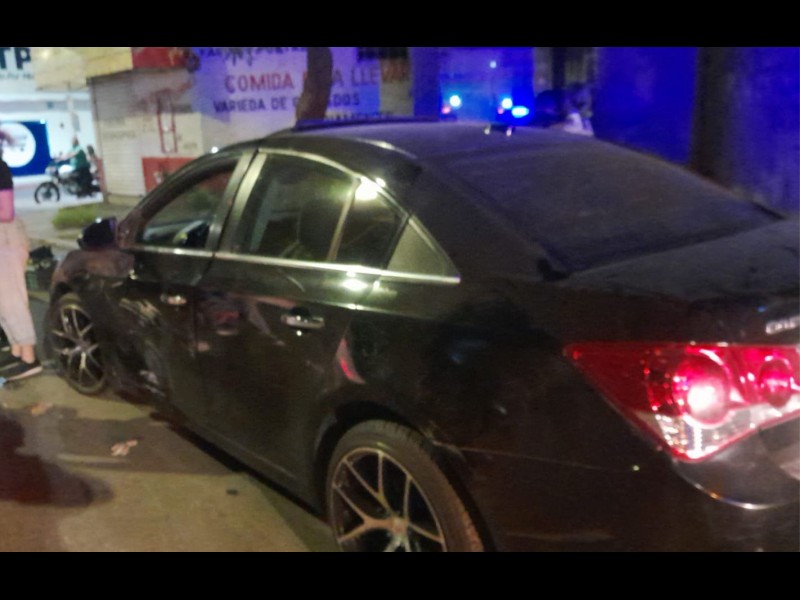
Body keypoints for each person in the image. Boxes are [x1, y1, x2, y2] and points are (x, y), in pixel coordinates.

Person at [0, 141, 43, 381]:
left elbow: (6, 212)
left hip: (6, 239)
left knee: (11, 301)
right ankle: (17, 351)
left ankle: (29, 358)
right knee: (3, 302)